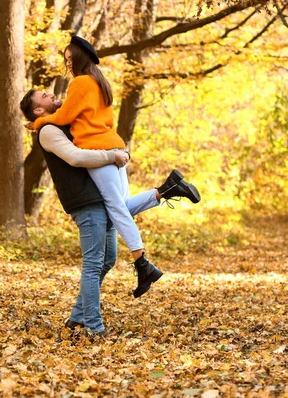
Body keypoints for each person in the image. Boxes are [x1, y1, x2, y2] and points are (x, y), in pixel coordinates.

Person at [25, 35, 201, 298]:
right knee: (120, 205)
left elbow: (62, 117)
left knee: (116, 207)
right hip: (114, 146)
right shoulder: (99, 81)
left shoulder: (80, 83)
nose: (67, 64)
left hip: (98, 151)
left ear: (77, 59)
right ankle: (167, 190)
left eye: (68, 59)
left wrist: (35, 124)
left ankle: (142, 264)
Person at [20, 88, 200, 337]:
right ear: (38, 110)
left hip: (95, 194)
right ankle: (94, 327)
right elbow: (74, 157)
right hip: (84, 201)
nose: (50, 95)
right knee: (94, 264)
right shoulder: (48, 131)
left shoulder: (58, 121)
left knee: (107, 259)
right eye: (44, 97)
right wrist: (111, 156)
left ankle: (77, 316)